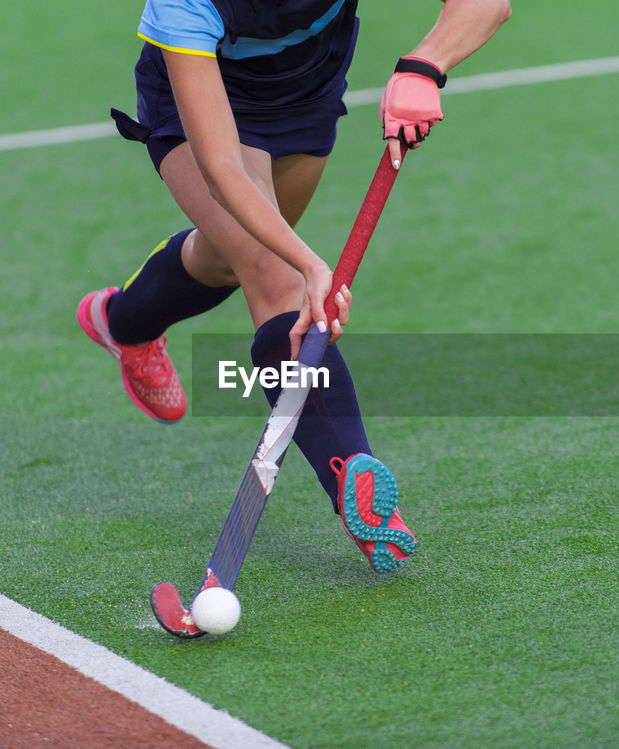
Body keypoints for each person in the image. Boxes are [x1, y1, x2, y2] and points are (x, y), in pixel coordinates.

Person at [77, 0, 511, 574]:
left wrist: (425, 65)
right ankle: (355, 478)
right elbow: (223, 167)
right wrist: (309, 265)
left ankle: (122, 322)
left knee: (229, 260)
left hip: (306, 90)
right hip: (208, 111)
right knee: (274, 272)